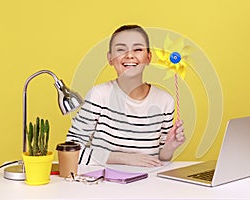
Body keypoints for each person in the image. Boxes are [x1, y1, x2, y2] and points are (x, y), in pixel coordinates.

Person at [66, 25, 185, 167]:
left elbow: (160, 160)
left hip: (148, 184)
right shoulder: (99, 95)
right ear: (110, 58)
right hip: (103, 184)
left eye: (138, 49)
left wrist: (169, 147)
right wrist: (122, 158)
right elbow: (70, 150)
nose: (129, 55)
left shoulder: (165, 101)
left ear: (148, 57)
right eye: (121, 49)